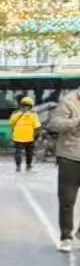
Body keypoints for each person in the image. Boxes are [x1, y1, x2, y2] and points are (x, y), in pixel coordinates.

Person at [49, 86, 80, 252]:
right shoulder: (68, 101)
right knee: (67, 200)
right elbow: (54, 124)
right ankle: (66, 237)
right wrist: (76, 121)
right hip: (70, 156)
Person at [11, 95, 41, 171]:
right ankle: (28, 165)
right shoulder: (33, 114)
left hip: (18, 136)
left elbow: (11, 123)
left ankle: (18, 166)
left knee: (18, 152)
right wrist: (37, 134)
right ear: (31, 105)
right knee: (29, 152)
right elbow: (37, 126)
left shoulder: (16, 113)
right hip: (29, 136)